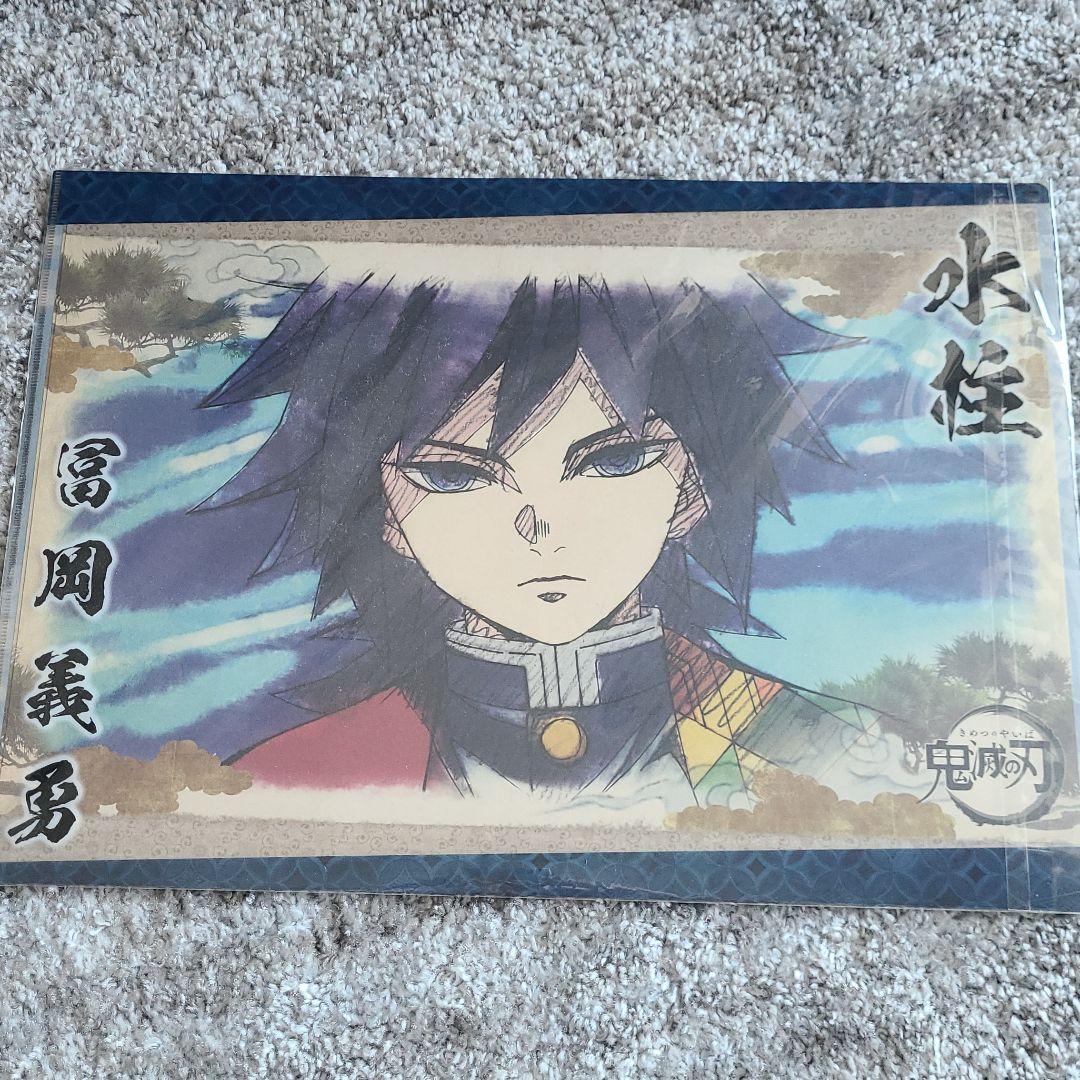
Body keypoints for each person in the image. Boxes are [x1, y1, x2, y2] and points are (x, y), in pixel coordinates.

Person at [204, 270, 902, 813]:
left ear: (692, 486)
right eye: (455, 475)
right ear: (386, 509)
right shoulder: (281, 787)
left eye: (612, 461)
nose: (540, 528)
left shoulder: (843, 762)